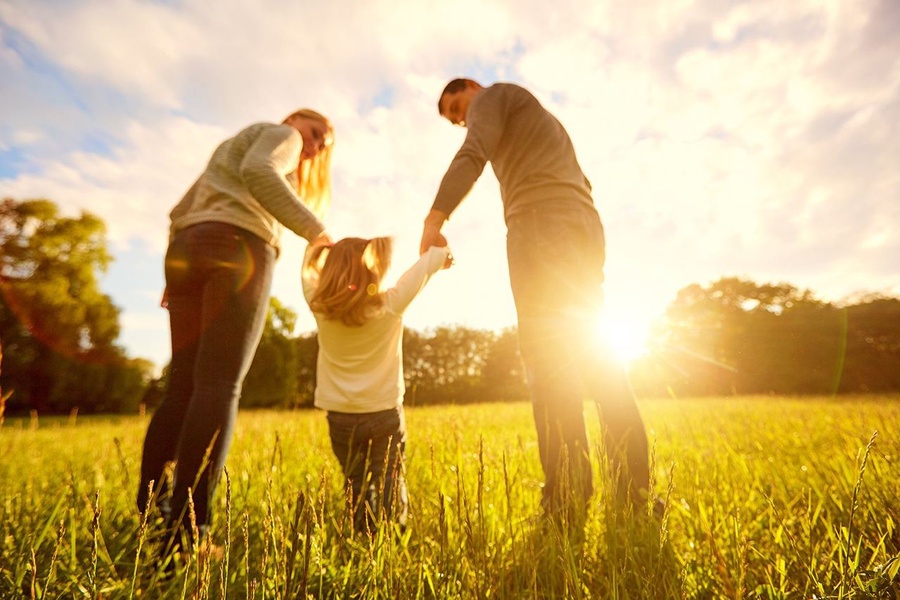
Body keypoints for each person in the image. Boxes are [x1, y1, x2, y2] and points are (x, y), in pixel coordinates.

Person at [419, 79, 652, 517]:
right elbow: (583, 179)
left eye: (458, 106)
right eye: (455, 119)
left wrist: (435, 217)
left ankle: (566, 500)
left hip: (541, 224)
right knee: (597, 356)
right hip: (581, 223)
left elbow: (474, 151)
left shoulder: (494, 96)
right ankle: (635, 496)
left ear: (472, 87)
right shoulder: (541, 119)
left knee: (549, 364)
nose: (462, 118)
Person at [137, 109, 335, 559]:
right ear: (294, 121)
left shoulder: (230, 146)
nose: (317, 143)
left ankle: (150, 515)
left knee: (182, 387)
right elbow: (259, 170)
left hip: (187, 248)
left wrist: (177, 269)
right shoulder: (280, 135)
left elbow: (178, 210)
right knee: (219, 386)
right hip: (239, 246)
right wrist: (315, 231)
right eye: (316, 132)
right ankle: (188, 533)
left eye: (325, 142)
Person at [302, 236, 451, 532]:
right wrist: (443, 253)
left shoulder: (318, 305)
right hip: (383, 413)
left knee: (354, 481)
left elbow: (307, 268)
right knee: (390, 480)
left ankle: (362, 533)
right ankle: (391, 537)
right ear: (373, 270)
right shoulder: (391, 304)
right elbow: (425, 266)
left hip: (340, 416)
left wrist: (317, 246)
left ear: (329, 270)